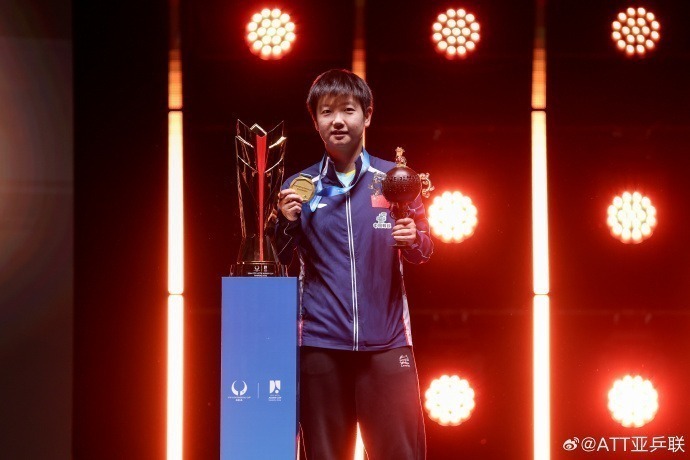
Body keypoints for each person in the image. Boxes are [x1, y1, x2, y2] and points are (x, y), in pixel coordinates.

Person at [275, 68, 433, 460]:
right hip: (321, 345)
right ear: (315, 121)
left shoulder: (396, 180)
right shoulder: (299, 187)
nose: (338, 120)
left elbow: (424, 250)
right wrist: (284, 225)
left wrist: (414, 238)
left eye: (348, 109)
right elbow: (278, 260)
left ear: (367, 115)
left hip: (387, 343)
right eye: (326, 112)